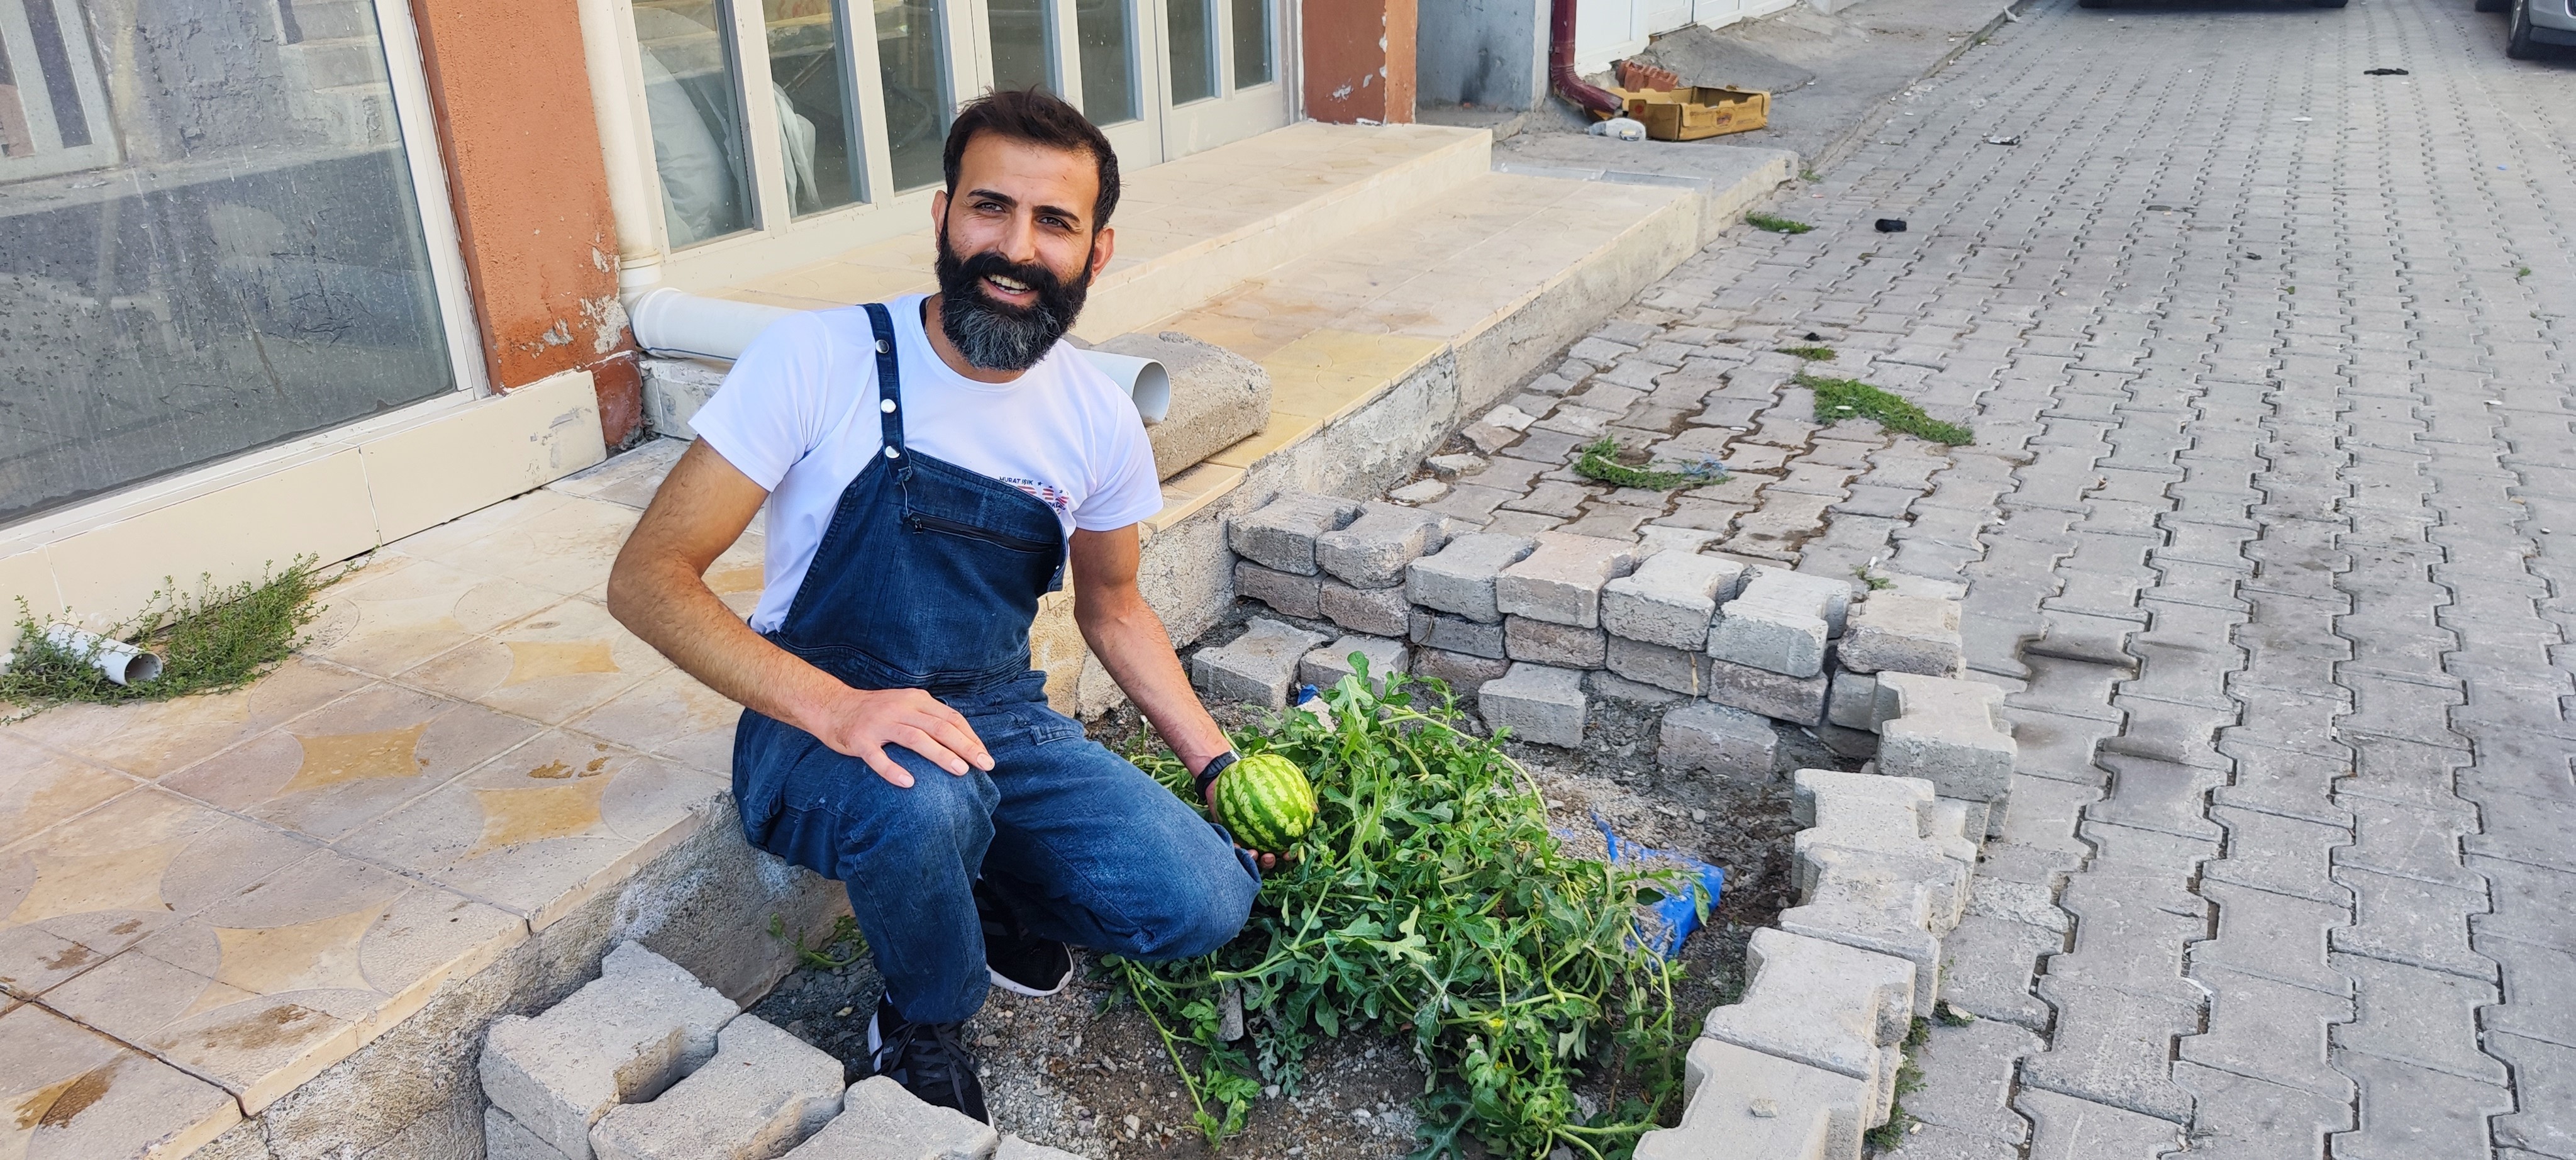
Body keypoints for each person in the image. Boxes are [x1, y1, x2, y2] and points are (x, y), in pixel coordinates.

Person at [605, 89, 1266, 1123]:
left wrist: (1216, 764)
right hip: (815, 712)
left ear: (1096, 254)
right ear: (943, 216)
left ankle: (983, 891)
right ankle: (922, 1019)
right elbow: (648, 577)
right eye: (989, 208)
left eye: (1054, 223)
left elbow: (1117, 608)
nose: (1014, 247)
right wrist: (835, 709)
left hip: (992, 711)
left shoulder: (1099, 416)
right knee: (920, 800)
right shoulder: (819, 359)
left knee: (1207, 898)